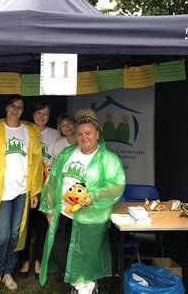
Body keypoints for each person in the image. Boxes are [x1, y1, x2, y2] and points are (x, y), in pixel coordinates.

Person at [39, 109, 126, 294]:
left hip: (89, 217)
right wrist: (49, 208)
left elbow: (116, 186)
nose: (84, 137)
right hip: (63, 212)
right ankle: (83, 284)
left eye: (88, 133)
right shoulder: (66, 153)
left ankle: (82, 285)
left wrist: (92, 195)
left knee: (86, 254)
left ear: (97, 134)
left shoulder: (108, 159)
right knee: (58, 250)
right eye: (80, 134)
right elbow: (53, 179)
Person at [0, 94, 43, 293]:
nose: (15, 109)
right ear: (6, 108)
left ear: (23, 110)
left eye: (19, 107)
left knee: (15, 234)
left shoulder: (29, 131)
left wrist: (35, 191)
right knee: (2, 235)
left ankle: (8, 273)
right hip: (0, 191)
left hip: (22, 191)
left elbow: (36, 163)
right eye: (12, 106)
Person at [18, 100, 60, 279]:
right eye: (38, 113)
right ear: (32, 115)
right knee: (24, 226)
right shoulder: (24, 130)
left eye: (45, 114)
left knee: (43, 226)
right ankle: (24, 260)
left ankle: (38, 261)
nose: (42, 117)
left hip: (47, 187)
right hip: (26, 186)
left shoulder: (55, 134)